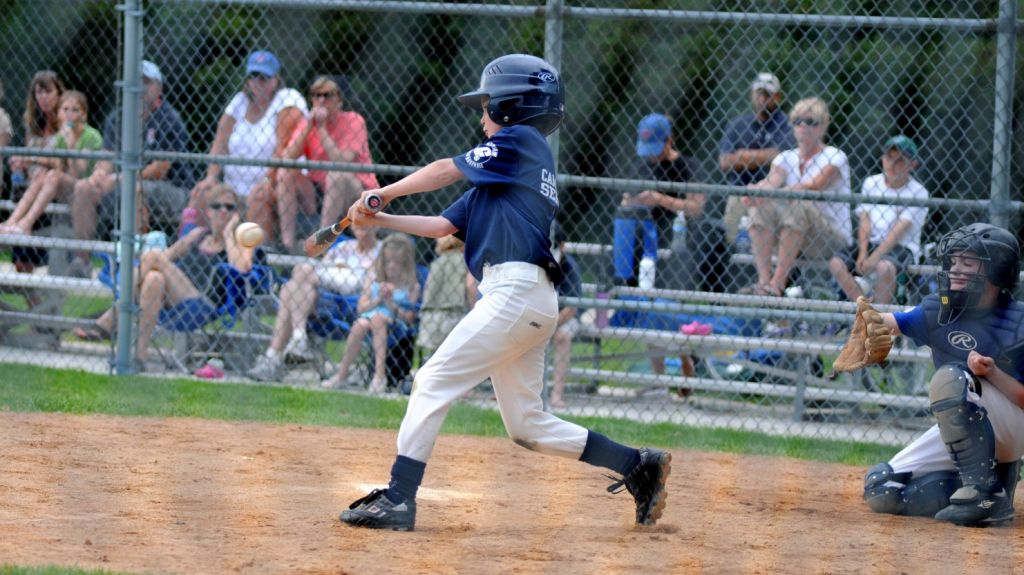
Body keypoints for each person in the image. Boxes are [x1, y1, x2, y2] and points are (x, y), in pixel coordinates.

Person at [336, 54, 671, 532]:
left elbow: (444, 169)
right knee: (526, 425)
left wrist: (384, 192)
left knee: (430, 380)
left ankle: (399, 497)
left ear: (512, 106)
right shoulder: (503, 177)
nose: (481, 118)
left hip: (514, 292)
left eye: (487, 107)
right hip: (526, 297)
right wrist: (380, 219)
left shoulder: (522, 141)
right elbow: (442, 226)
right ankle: (638, 465)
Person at [862, 223, 1024, 527]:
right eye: (954, 261)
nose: (956, 269)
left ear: (997, 270)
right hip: (968, 428)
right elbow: (893, 322)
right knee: (882, 488)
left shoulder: (1018, 322)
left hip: (1014, 427)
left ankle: (985, 492)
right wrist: (865, 324)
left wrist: (993, 373)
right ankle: (995, 487)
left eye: (968, 262)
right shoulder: (941, 309)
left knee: (951, 379)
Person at [73, 184, 260, 371]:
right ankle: (140, 358)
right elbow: (167, 256)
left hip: (203, 303)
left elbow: (241, 269)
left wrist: (228, 234)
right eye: (217, 206)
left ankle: (110, 316)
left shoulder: (240, 242)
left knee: (154, 256)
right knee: (154, 279)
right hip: (173, 298)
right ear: (209, 212)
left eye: (229, 207)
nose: (223, 211)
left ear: (237, 214)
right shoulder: (197, 235)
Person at [71, 60, 191, 276]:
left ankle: (135, 267)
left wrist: (119, 179)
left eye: (146, 82)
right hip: (125, 183)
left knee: (136, 189)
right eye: (135, 81)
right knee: (83, 187)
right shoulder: (118, 118)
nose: (140, 87)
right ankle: (82, 261)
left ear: (159, 88)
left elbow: (160, 169)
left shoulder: (169, 119)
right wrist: (99, 174)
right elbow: (108, 156)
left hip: (172, 189)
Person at [189, 50, 307, 247]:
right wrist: (211, 177)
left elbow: (283, 147)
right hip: (233, 188)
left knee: (258, 199)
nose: (258, 82)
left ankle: (260, 255)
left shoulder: (287, 99)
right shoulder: (240, 101)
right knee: (202, 194)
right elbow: (220, 141)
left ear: (276, 79)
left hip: (271, 183)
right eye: (253, 76)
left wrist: (268, 179)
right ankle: (198, 253)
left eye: (264, 77)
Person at [741, 97, 851, 297]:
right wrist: (755, 192)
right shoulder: (786, 157)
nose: (803, 126)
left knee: (797, 203)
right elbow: (771, 181)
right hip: (790, 233)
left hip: (829, 238)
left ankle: (777, 284)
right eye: (798, 121)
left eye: (810, 122)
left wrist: (776, 194)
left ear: (823, 127)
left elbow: (814, 185)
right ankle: (764, 283)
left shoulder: (835, 156)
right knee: (759, 206)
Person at [246, 221, 381, 382]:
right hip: (317, 296)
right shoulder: (344, 246)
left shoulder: (381, 251)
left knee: (291, 288)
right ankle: (298, 338)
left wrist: (340, 271)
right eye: (357, 222)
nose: (361, 225)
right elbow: (321, 269)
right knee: (295, 283)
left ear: (377, 225)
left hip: (346, 305)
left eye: (366, 222)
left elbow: (365, 285)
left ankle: (275, 356)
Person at [276, 75, 379, 253]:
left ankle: (321, 244)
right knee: (285, 174)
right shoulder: (307, 124)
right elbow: (287, 158)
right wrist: (309, 127)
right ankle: (287, 244)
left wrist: (321, 128)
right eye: (316, 95)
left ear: (339, 100)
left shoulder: (354, 120)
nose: (321, 100)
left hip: (355, 191)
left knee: (336, 175)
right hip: (319, 190)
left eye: (327, 95)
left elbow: (341, 162)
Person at [830, 135, 929, 305]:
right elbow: (865, 220)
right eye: (888, 157)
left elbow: (899, 231)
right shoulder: (872, 182)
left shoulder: (918, 191)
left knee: (885, 267)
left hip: (901, 246)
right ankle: (864, 307)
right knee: (836, 263)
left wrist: (874, 257)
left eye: (900, 160)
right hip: (871, 242)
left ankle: (879, 317)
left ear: (912, 165)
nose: (892, 164)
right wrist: (863, 253)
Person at [320, 233, 420, 392]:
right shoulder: (373, 278)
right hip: (369, 317)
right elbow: (361, 308)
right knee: (360, 323)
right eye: (388, 261)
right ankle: (341, 375)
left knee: (378, 318)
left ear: (405, 264)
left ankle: (379, 376)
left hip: (395, 323)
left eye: (397, 262)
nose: (392, 266)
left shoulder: (412, 286)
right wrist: (379, 298)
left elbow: (410, 317)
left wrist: (390, 303)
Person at [1, 91, 103, 235]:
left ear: (84, 115)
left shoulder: (91, 136)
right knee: (42, 175)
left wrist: (70, 145)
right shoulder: (61, 136)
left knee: (54, 175)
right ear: (59, 113)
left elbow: (78, 172)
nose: (69, 114)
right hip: (65, 186)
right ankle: (11, 221)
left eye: (75, 110)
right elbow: (57, 165)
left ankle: (26, 224)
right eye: (65, 109)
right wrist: (29, 160)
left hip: (84, 188)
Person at [718, 72, 794, 244]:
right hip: (740, 189)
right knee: (730, 230)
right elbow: (725, 162)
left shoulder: (787, 124)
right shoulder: (738, 124)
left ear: (777, 97)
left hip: (775, 192)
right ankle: (729, 252)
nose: (762, 99)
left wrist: (742, 156)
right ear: (752, 95)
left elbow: (781, 157)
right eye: (759, 93)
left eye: (767, 94)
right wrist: (765, 156)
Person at [6, 70, 65, 275]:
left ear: (59, 93)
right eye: (39, 92)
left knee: (41, 179)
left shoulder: (66, 119)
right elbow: (30, 157)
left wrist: (30, 159)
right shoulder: (32, 124)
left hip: (53, 189)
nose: (43, 97)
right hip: (31, 186)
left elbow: (59, 163)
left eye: (48, 92)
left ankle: (21, 225)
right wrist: (21, 164)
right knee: (21, 265)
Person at [414, 234, 475, 363]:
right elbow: (470, 285)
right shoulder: (464, 260)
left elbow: (427, 287)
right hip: (455, 313)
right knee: (454, 358)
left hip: (431, 315)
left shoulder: (436, 262)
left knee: (433, 359)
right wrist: (473, 308)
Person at [548, 223, 582, 409]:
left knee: (563, 336)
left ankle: (556, 395)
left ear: (561, 246)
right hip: (540, 317)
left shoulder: (569, 266)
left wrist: (550, 325)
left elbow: (571, 308)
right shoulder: (534, 262)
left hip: (564, 318)